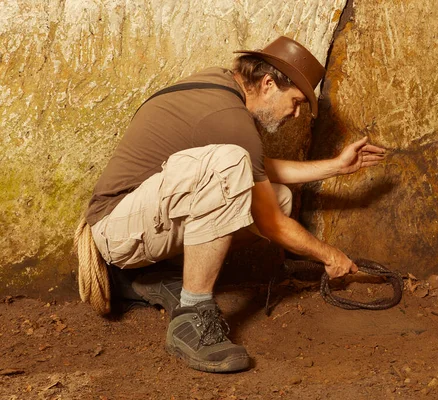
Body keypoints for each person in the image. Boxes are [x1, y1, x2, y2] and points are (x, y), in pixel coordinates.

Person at [75, 36, 386, 373]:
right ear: (268, 84)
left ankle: (144, 275)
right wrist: (330, 255)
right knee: (235, 167)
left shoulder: (220, 86)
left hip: (136, 222)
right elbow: (269, 222)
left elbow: (256, 167)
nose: (295, 114)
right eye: (295, 102)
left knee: (276, 196)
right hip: (115, 231)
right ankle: (191, 317)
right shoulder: (230, 118)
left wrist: (336, 166)